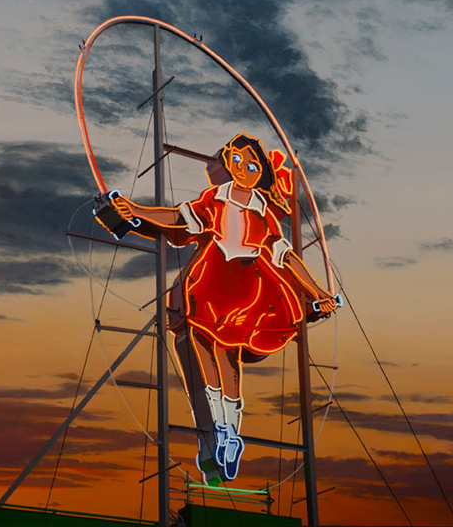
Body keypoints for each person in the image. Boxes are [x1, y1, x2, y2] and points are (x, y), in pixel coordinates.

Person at [107, 133, 338, 485]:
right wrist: (136, 211)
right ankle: (222, 429)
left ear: (260, 171)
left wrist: (318, 291)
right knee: (203, 344)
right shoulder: (214, 199)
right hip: (212, 281)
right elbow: (177, 218)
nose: (244, 169)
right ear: (229, 162)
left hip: (247, 286)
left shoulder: (263, 211)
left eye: (252, 165)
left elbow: (286, 257)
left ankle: (229, 428)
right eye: (238, 161)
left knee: (227, 356)